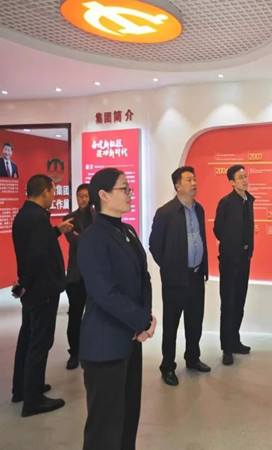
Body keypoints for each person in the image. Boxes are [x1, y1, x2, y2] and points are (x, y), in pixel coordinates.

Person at [78, 168, 156, 450]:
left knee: (127, 418)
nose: (130, 194)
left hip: (129, 342)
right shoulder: (93, 238)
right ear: (103, 195)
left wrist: (144, 320)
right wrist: (141, 321)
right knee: (105, 429)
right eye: (124, 189)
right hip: (104, 345)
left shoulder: (127, 230)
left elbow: (144, 278)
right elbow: (104, 293)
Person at [11, 174, 73, 416]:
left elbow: (37, 244)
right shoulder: (37, 218)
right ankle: (33, 400)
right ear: (45, 191)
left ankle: (23, 388)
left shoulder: (26, 215)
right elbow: (36, 256)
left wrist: (57, 230)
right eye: (53, 191)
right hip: (42, 289)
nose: (54, 196)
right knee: (40, 342)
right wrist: (25, 283)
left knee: (28, 338)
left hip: (34, 290)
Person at [150, 166, 210, 386]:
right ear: (177, 186)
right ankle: (168, 366)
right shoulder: (165, 212)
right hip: (175, 279)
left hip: (196, 276)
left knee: (195, 321)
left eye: (194, 179)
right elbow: (155, 245)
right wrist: (169, 267)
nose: (194, 183)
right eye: (188, 180)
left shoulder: (199, 210)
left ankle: (192, 358)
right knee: (171, 324)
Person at [214, 164, 254, 366]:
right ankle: (226, 348)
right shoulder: (226, 203)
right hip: (230, 260)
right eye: (240, 177)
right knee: (228, 304)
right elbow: (218, 230)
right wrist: (232, 245)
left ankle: (235, 340)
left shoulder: (249, 201)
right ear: (231, 182)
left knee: (239, 302)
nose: (245, 180)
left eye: (245, 176)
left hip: (245, 259)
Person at [63, 183, 93, 370]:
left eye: (86, 196)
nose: (83, 199)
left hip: (95, 276)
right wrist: (90, 238)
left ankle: (90, 349)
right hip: (76, 276)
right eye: (80, 196)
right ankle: (74, 353)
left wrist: (82, 236)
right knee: (74, 316)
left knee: (94, 316)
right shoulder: (69, 219)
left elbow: (97, 241)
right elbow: (74, 241)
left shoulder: (99, 217)